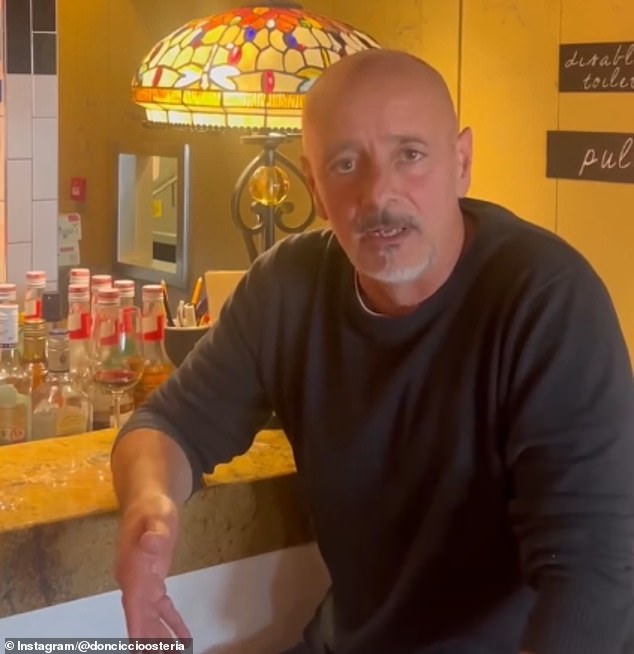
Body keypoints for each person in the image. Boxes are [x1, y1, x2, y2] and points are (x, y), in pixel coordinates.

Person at [111, 48, 634, 654]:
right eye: (345, 163)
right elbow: (168, 425)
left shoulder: (546, 299)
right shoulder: (287, 286)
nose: (379, 193)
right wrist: (149, 505)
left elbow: (592, 578)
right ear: (314, 186)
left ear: (461, 163)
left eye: (409, 155)